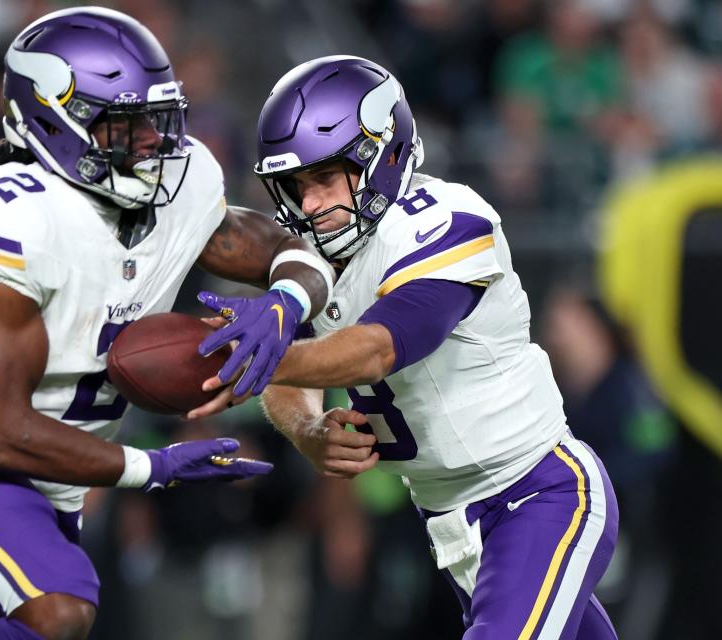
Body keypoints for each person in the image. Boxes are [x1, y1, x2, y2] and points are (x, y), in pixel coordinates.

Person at [0, 8, 335, 640]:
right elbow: (1, 434)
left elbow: (283, 251)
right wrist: (149, 466)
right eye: (124, 124)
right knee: (61, 606)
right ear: (56, 123)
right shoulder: (14, 220)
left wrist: (285, 304)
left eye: (155, 121)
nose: (150, 144)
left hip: (53, 489)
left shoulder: (181, 185)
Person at [200, 55, 620, 639]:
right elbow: (291, 374)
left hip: (536, 494)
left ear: (383, 153)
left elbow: (378, 347)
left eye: (325, 178)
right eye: (297, 186)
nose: (312, 203)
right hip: (451, 521)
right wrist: (308, 430)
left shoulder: (447, 219)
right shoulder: (314, 254)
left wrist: (259, 355)